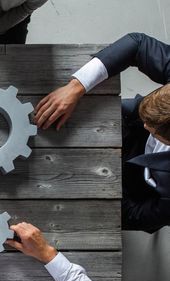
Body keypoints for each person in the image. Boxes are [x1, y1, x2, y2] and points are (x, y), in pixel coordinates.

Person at [34, 32, 170, 233]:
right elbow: (137, 44)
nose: (145, 126)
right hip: (126, 122)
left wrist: (101, 184)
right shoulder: (144, 121)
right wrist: (76, 87)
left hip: (133, 188)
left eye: (151, 128)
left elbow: (135, 215)